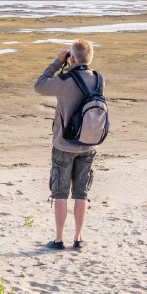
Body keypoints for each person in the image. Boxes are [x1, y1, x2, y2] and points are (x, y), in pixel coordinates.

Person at [33, 39, 101, 250]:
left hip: (63, 144)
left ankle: (59, 239)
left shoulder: (63, 80)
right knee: (82, 194)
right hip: (88, 144)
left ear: (71, 58)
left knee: (60, 193)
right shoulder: (99, 79)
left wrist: (56, 62)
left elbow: (39, 85)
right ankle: (79, 238)